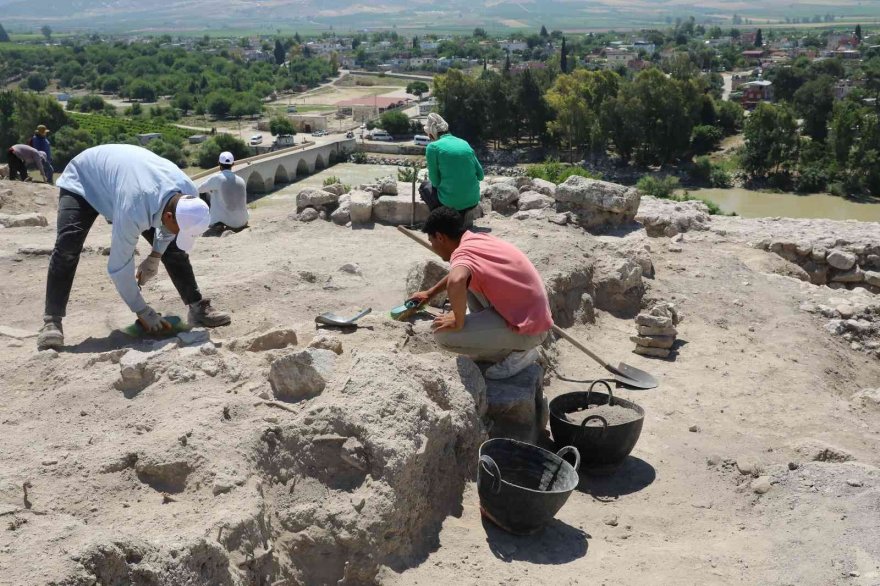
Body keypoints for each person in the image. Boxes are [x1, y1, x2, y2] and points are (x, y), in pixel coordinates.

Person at [37, 144, 232, 350]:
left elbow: (169, 229)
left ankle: (197, 309)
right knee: (67, 246)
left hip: (128, 182)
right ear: (167, 216)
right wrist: (142, 310)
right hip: (84, 178)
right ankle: (52, 321)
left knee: (174, 249)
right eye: (177, 228)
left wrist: (155, 255)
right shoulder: (134, 207)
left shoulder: (188, 193)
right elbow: (119, 267)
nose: (177, 233)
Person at [410, 206, 553, 379]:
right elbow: (457, 275)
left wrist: (458, 320)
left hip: (529, 332)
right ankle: (494, 338)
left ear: (440, 237)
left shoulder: (462, 254)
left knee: (443, 335)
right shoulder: (475, 239)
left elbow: (456, 280)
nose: (433, 246)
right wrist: (430, 293)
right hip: (530, 315)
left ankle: (519, 353)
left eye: (432, 241)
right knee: (470, 283)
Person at [420, 113, 484, 221]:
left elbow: (435, 182)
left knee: (424, 187)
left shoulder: (433, 147)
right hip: (472, 201)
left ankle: (442, 222)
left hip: (449, 203)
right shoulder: (464, 143)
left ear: (431, 134)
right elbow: (481, 175)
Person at [195, 151, 249, 237]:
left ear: (219, 163)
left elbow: (199, 189)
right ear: (233, 164)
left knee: (207, 194)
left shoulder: (217, 178)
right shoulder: (241, 180)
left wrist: (211, 190)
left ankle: (217, 223)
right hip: (243, 221)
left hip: (229, 223)